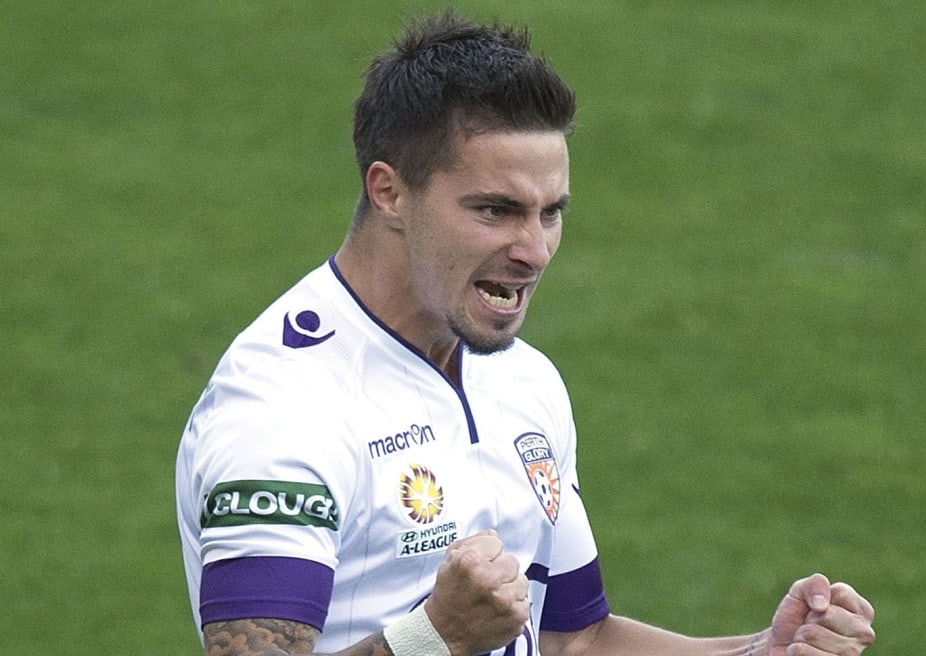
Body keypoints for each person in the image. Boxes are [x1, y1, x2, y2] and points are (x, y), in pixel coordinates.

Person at [175, 12, 876, 656]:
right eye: (496, 210)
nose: (534, 250)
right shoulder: (285, 406)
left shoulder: (520, 377)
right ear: (389, 191)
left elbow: (577, 639)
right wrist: (434, 637)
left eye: (550, 213)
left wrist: (757, 653)